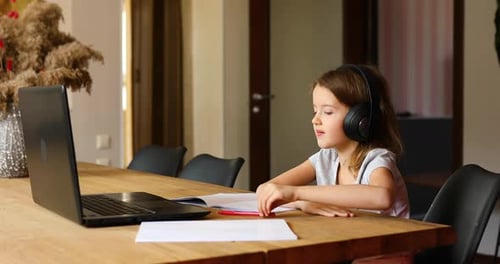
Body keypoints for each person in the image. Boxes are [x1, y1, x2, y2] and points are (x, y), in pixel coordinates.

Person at [256, 64, 409, 219]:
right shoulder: (326, 158)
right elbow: (267, 189)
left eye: (327, 112)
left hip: (389, 241)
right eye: (315, 111)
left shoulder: (376, 159)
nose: (315, 120)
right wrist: (304, 203)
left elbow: (382, 196)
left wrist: (297, 193)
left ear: (359, 119)